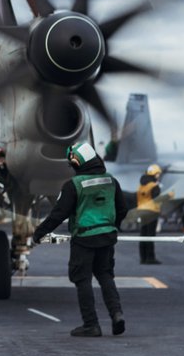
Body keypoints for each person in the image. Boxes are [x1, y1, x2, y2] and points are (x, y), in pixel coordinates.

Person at [32, 141, 128, 338]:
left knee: (82, 279)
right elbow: (123, 209)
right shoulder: (111, 181)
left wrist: (39, 233)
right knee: (105, 276)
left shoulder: (74, 185)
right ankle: (117, 314)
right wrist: (113, 226)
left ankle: (91, 324)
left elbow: (58, 214)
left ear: (77, 161)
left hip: (84, 239)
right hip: (107, 237)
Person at [137, 164, 163, 265]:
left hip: (142, 212)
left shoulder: (141, 185)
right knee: (150, 235)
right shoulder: (154, 186)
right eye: (158, 174)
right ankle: (150, 258)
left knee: (143, 235)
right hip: (152, 213)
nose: (159, 176)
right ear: (155, 174)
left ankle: (143, 257)